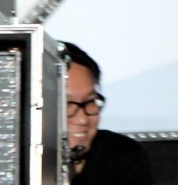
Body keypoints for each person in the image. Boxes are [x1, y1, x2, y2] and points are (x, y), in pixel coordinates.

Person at [61, 41, 154, 184]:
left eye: (90, 101)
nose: (82, 119)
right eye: (68, 104)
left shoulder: (123, 157)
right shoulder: (22, 162)